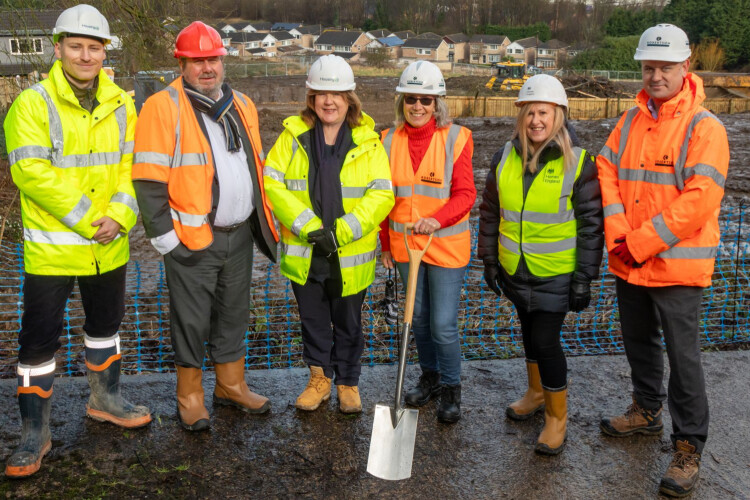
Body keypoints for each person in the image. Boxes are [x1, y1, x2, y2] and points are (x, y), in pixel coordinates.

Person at [3, 4, 150, 477]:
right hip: (53, 251)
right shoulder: (32, 104)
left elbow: (134, 168)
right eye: (77, 46)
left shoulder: (123, 104)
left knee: (106, 327)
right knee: (38, 343)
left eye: (94, 47)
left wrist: (123, 217)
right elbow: (31, 172)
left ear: (104, 52)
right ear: (58, 47)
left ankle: (105, 399)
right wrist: (93, 219)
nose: (86, 55)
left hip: (110, 245)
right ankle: (34, 433)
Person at [597, 24, 729, 497]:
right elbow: (606, 169)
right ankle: (647, 409)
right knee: (638, 341)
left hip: (676, 267)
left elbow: (698, 201)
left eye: (665, 67)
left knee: (683, 357)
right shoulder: (631, 120)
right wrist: (620, 237)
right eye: (649, 67)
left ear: (684, 67)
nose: (655, 76)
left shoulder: (704, 128)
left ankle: (689, 444)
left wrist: (639, 243)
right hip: (629, 258)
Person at [132, 21, 279, 431]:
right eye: (197, 61)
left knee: (233, 313)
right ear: (181, 63)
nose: (207, 67)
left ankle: (231, 386)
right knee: (191, 319)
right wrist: (167, 241)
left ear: (223, 61)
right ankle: (191, 396)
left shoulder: (241, 105)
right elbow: (148, 178)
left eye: (212, 58)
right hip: (192, 238)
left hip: (239, 235)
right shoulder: (164, 106)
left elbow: (253, 166)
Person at [478, 74, 603, 454]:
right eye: (530, 112)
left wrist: (584, 277)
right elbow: (490, 212)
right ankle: (535, 392)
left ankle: (556, 417)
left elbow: (591, 225)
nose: (536, 120)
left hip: (556, 276)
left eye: (544, 112)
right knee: (528, 335)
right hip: (517, 271)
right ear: (521, 117)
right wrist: (489, 259)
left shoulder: (578, 163)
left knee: (546, 342)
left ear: (559, 115)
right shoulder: (504, 158)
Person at [263, 55, 394, 414]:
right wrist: (309, 226)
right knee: (314, 321)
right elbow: (272, 182)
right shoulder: (293, 137)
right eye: (321, 93)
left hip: (349, 253)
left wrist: (341, 232)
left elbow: (382, 194)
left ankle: (348, 383)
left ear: (350, 97)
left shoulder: (368, 142)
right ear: (311, 97)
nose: (329, 101)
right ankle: (319, 380)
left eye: (336, 93)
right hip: (307, 252)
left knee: (349, 322)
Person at [379, 61, 476, 424]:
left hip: (446, 246)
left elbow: (466, 193)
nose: (417, 106)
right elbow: (384, 198)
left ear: (438, 103)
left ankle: (452, 389)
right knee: (417, 318)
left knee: (443, 324)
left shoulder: (456, 137)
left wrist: (438, 218)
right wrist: (384, 243)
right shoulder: (388, 140)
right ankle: (430, 377)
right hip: (406, 248)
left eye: (426, 99)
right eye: (410, 99)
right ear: (401, 101)